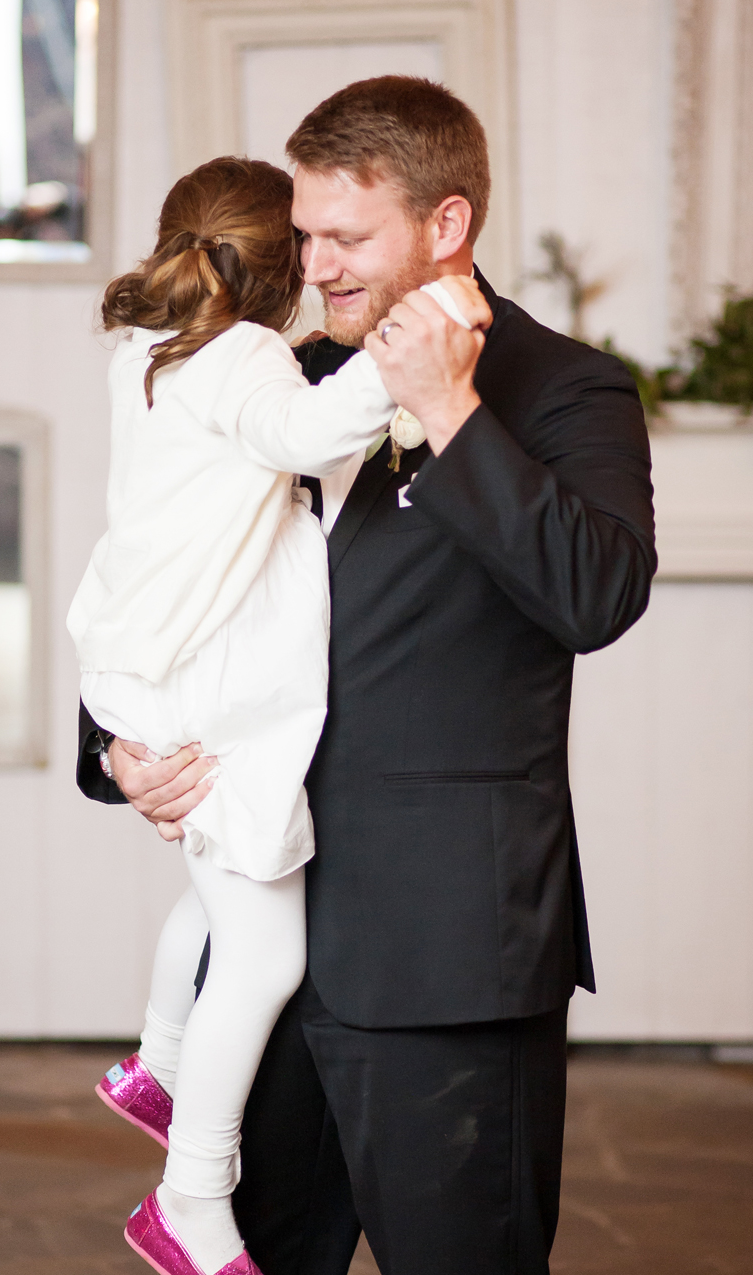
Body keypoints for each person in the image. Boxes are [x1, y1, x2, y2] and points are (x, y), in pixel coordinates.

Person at [80, 76, 656, 1275]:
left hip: (445, 955)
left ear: (444, 227)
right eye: (301, 235)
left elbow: (598, 596)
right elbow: (152, 559)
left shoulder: (565, 389)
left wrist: (449, 410)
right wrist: (117, 747)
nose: (315, 265)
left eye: (345, 238)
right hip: (266, 937)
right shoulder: (266, 382)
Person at [70, 155, 485, 1275]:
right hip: (205, 695)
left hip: (155, 672)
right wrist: (408, 358)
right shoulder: (249, 356)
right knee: (260, 955)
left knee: (219, 897)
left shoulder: (148, 359)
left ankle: (158, 1059)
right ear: (281, 269)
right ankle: (189, 1196)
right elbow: (303, 435)